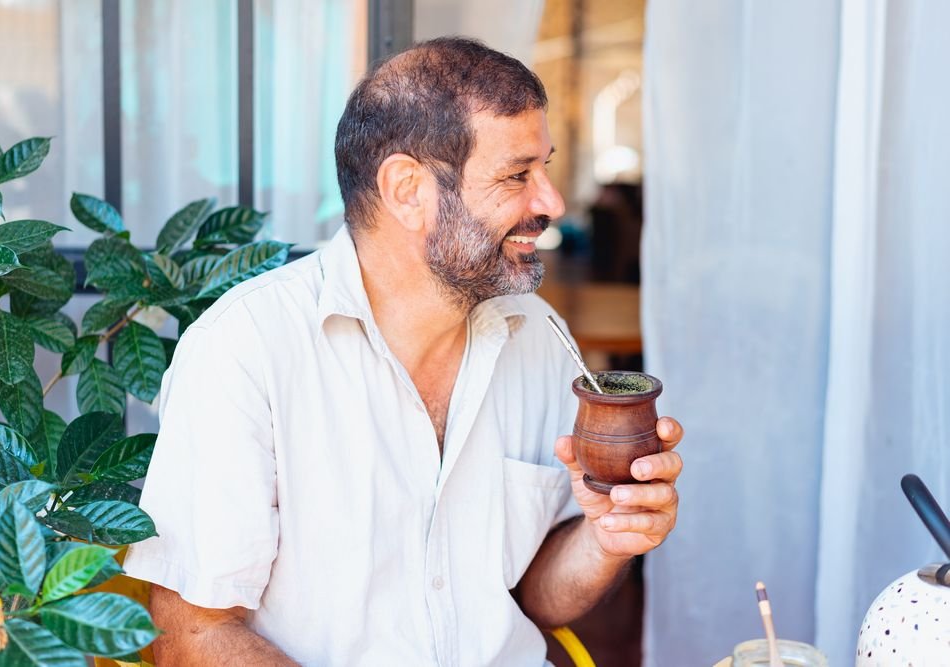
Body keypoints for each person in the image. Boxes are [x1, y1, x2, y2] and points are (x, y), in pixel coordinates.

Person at [124, 37, 683, 666]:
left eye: (544, 169)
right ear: (408, 190)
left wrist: (606, 536)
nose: (550, 203)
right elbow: (192, 635)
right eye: (517, 175)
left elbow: (532, 598)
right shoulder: (244, 351)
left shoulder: (539, 337)